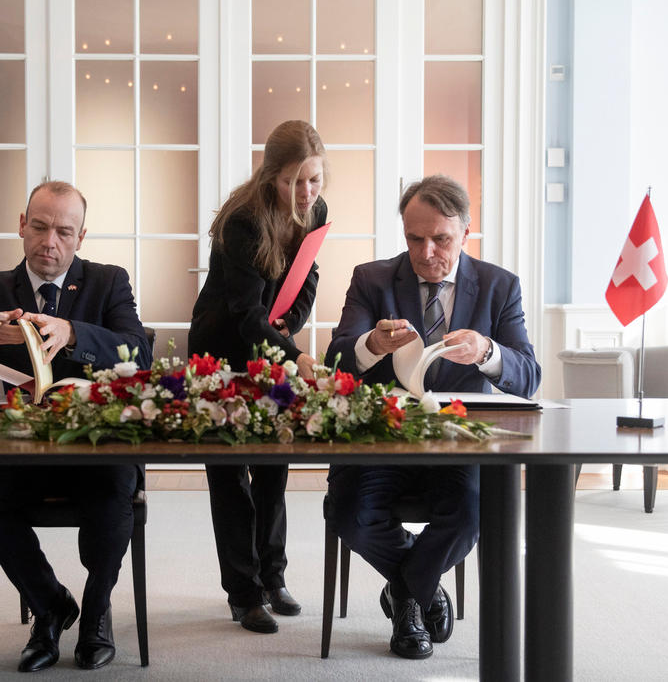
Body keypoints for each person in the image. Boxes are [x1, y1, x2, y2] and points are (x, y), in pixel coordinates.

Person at [0, 181, 151, 672]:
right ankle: (51, 604)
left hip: (96, 444)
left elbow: (139, 350)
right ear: (22, 226)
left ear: (81, 237)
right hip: (24, 446)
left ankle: (95, 615)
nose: (51, 243)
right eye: (41, 227)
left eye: (64, 232)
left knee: (113, 495)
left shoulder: (108, 282)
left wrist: (73, 332)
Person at [325, 174, 541, 659]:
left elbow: (528, 375)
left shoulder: (498, 286)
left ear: (466, 231)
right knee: (348, 515)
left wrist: (488, 352)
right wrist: (371, 345)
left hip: (458, 439)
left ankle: (405, 593)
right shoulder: (372, 279)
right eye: (414, 238)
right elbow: (334, 364)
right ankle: (420, 588)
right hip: (381, 434)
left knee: (472, 515)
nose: (426, 252)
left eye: (440, 239)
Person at [188, 120, 326, 634]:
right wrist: (292, 354)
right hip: (222, 351)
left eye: (313, 179)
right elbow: (246, 314)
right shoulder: (242, 220)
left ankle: (274, 577)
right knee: (231, 477)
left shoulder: (318, 209)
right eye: (293, 181)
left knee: (274, 469)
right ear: (271, 176)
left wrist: (293, 324)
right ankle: (242, 593)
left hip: (271, 342)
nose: (305, 192)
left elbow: (307, 275)